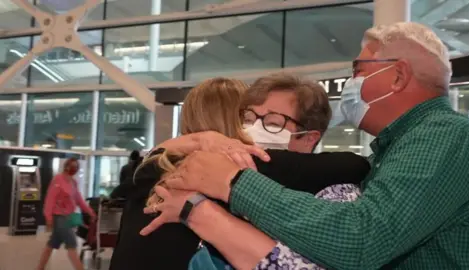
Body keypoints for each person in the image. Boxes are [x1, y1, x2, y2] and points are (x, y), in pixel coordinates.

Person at [142, 22, 469, 269]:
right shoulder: (398, 148)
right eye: (250, 117)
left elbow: (360, 240)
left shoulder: (444, 137)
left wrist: (233, 182)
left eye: (359, 71)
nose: (352, 83)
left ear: (397, 76)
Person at [109, 77, 370, 270]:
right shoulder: (244, 167)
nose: (254, 128)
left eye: (271, 122)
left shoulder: (155, 169)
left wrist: (180, 143)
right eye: (248, 118)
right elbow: (352, 165)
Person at [37, 158, 96, 270]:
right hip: (59, 217)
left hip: (67, 217)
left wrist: (90, 212)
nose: (75, 169)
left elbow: (79, 200)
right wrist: (48, 217)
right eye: (73, 166)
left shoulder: (73, 182)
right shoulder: (58, 180)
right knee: (71, 243)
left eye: (77, 167)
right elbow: (50, 199)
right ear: (66, 166)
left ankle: (39, 268)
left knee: (52, 244)